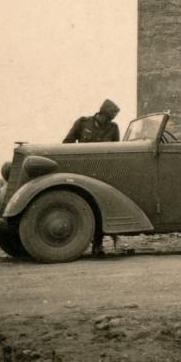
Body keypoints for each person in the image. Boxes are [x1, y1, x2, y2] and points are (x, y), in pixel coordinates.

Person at [63, 99, 122, 256]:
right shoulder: (82, 123)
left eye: (112, 118)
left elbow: (116, 151)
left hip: (102, 173)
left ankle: (98, 245)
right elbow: (67, 143)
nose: (109, 121)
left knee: (99, 207)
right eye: (108, 117)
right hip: (82, 171)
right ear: (101, 113)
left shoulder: (113, 128)